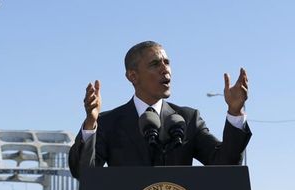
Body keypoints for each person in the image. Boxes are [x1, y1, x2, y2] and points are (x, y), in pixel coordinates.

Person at [68, 40, 252, 179]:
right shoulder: (108, 123)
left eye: (167, 62)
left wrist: (235, 113)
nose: (165, 69)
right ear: (133, 76)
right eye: (155, 64)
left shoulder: (188, 119)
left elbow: (224, 164)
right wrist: (91, 123)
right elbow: (85, 174)